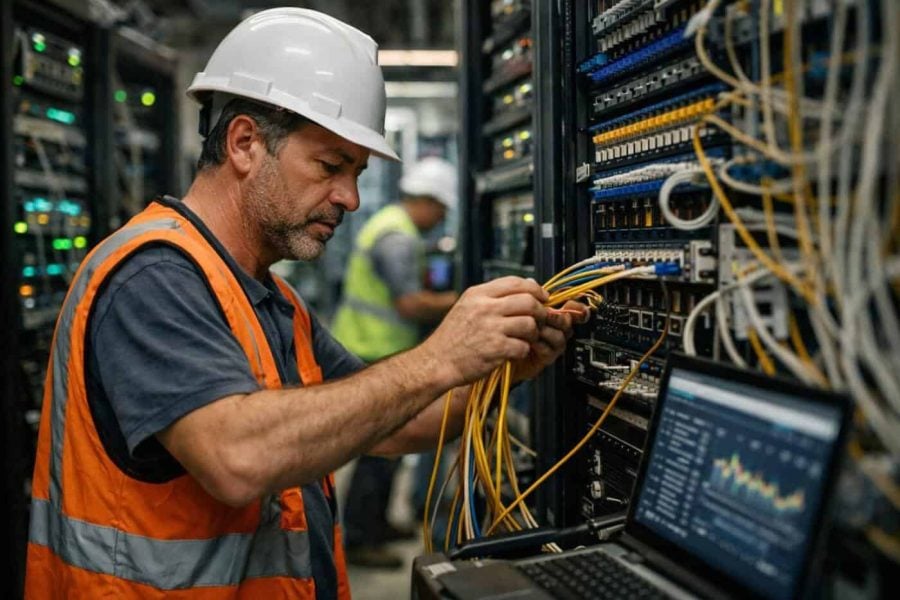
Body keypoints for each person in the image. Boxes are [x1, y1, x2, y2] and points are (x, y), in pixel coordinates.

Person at [24, 7, 587, 599]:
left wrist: (499, 370)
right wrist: (438, 358)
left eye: (357, 172)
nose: (349, 196)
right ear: (244, 143)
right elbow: (235, 456)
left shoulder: (274, 301)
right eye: (329, 166)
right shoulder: (154, 275)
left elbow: (390, 425)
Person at [330, 157, 460, 568]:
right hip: (370, 347)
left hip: (377, 345)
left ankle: (377, 523)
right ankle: (361, 538)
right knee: (377, 449)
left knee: (384, 452)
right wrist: (463, 304)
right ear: (426, 200)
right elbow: (408, 304)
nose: (440, 219)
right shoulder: (397, 237)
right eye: (440, 209)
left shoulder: (393, 225)